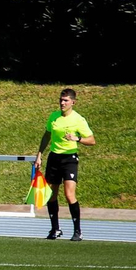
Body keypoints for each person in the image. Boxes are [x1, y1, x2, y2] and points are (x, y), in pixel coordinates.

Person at [36, 88, 96, 240]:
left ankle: (77, 231)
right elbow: (47, 135)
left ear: (73, 102)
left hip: (69, 159)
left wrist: (78, 139)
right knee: (51, 195)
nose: (62, 103)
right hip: (54, 158)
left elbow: (92, 140)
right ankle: (55, 229)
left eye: (66, 101)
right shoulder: (54, 117)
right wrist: (39, 155)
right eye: (61, 100)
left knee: (69, 195)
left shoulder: (78, 120)